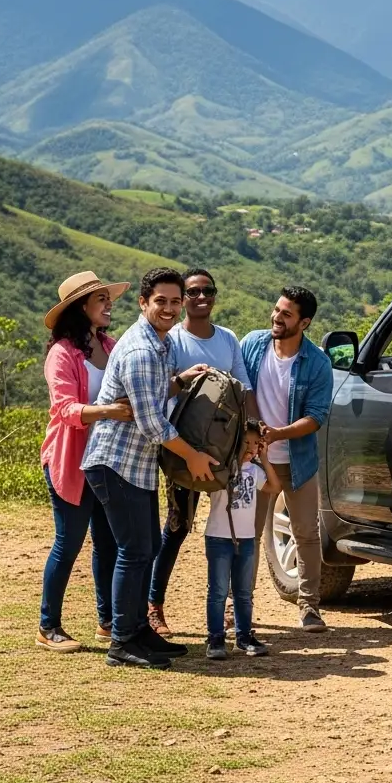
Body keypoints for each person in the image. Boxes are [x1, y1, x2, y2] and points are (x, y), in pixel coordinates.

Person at [81, 267, 217, 670]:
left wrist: (178, 381)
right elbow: (153, 423)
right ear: (143, 303)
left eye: (176, 301)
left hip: (134, 465)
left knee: (145, 548)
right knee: (134, 551)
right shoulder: (142, 349)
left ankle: (139, 631)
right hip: (116, 462)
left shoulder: (159, 345)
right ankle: (122, 641)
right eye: (161, 301)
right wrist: (192, 455)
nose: (170, 308)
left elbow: (153, 395)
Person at [147, 267, 255, 638]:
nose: (201, 297)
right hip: (183, 450)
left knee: (229, 528)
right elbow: (161, 392)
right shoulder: (172, 341)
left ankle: (228, 607)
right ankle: (153, 605)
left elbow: (244, 391)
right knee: (176, 529)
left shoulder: (227, 339)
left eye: (208, 289)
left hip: (226, 452)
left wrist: (251, 433)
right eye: (192, 292)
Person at [37, 272, 134, 653]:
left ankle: (107, 622)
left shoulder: (109, 346)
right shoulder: (61, 354)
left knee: (107, 543)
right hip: (70, 461)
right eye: (100, 300)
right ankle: (48, 626)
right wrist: (108, 410)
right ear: (82, 308)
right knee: (69, 542)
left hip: (103, 461)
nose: (109, 305)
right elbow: (63, 410)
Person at [241, 286, 333, 633]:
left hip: (297, 459)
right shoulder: (252, 345)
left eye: (286, 314)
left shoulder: (317, 363)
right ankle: (241, 608)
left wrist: (278, 433)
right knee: (247, 535)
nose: (276, 318)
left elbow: (316, 416)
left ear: (304, 322)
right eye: (276, 310)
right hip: (253, 460)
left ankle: (309, 608)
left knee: (306, 534)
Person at [204, 418, 276, 660]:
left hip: (246, 539)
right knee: (218, 591)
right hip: (218, 537)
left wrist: (264, 458)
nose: (250, 447)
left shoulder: (255, 471)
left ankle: (243, 637)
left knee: (243, 592)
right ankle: (215, 638)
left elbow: (275, 487)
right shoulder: (220, 468)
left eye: (256, 443)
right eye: (245, 442)